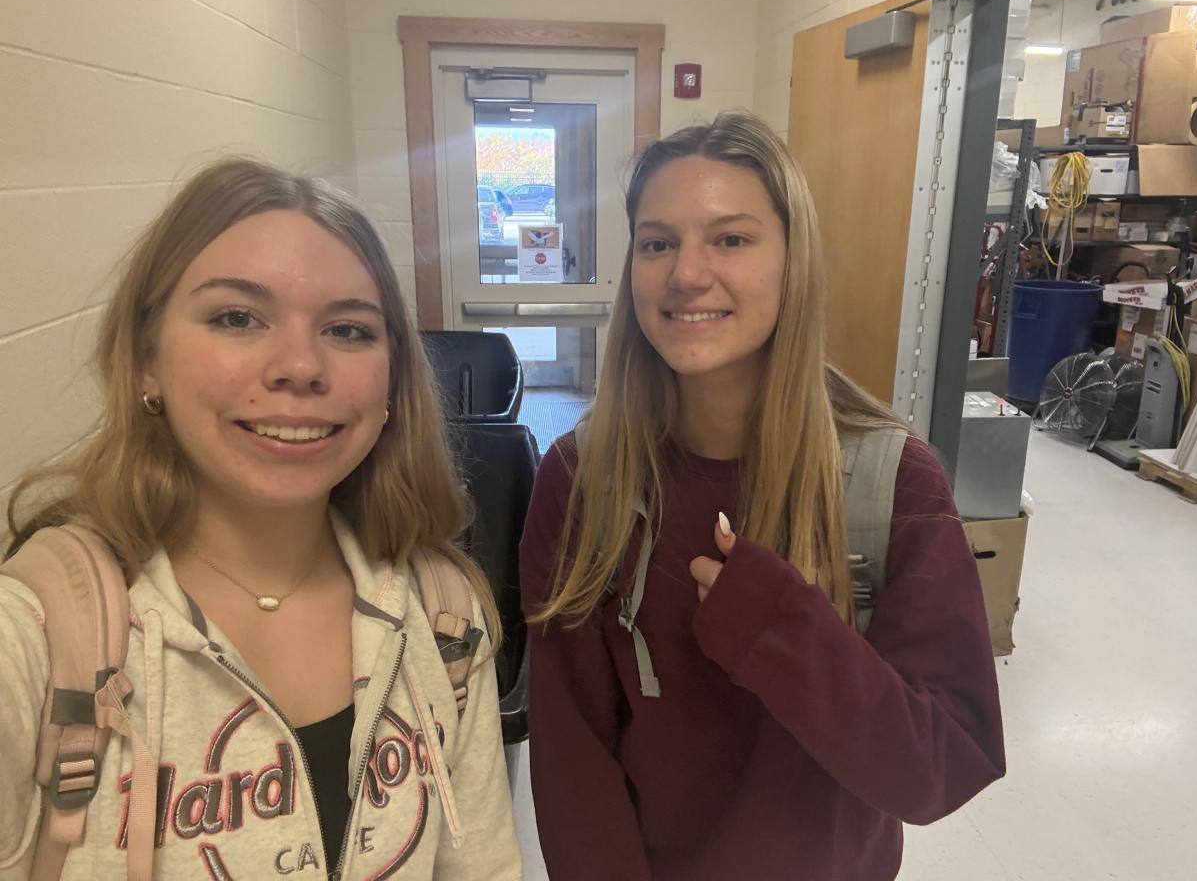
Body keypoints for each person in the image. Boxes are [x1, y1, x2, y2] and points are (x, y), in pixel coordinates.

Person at [0, 159, 521, 880]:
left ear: (393, 379)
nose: (300, 366)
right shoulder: (37, 636)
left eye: (348, 329)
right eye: (237, 318)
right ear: (147, 359)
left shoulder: (443, 615)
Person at [520, 111, 1005, 880]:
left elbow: (940, 767)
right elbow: (573, 762)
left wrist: (781, 629)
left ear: (792, 262)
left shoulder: (894, 481)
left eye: (731, 239)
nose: (687, 273)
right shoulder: (581, 480)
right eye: (657, 243)